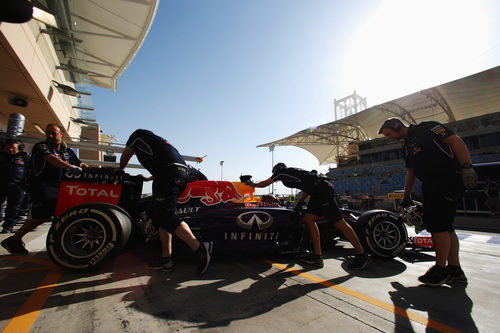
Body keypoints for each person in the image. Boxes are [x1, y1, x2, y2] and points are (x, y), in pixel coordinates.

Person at [379, 118, 478, 286]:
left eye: (389, 133)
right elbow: (411, 172)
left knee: (437, 224)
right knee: (445, 226)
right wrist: (406, 196)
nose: (389, 138)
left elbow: (455, 140)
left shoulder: (427, 128)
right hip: (430, 184)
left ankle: (440, 269)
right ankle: (455, 269)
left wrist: (467, 167)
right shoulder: (406, 146)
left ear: (397, 126)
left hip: (446, 179)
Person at [116, 129, 212, 275]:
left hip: (168, 173)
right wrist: (149, 179)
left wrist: (120, 170)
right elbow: (166, 160)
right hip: (173, 173)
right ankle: (166, 259)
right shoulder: (160, 142)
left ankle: (199, 248)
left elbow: (126, 156)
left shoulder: (137, 135)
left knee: (166, 214)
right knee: (158, 215)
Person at [245, 163, 369, 270]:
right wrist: (300, 202)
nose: (275, 177)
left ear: (276, 169)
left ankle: (361, 254)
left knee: (340, 223)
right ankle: (317, 256)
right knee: (308, 219)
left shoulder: (281, 172)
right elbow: (306, 188)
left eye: (274, 173)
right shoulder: (295, 172)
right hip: (318, 190)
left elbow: (265, 183)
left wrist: (251, 184)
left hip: (322, 191)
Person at [1, 124, 87, 254]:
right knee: (41, 216)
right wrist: (70, 167)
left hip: (63, 187)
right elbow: (52, 159)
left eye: (54, 133)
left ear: (62, 134)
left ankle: (59, 243)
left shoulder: (67, 151)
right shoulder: (41, 147)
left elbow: (80, 163)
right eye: (48, 133)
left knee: (63, 214)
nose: (50, 136)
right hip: (43, 186)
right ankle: (13, 239)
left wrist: (92, 169)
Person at [0, 139, 29, 233]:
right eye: (8, 148)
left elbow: (30, 170)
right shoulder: (1, 156)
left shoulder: (24, 157)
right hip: (1, 184)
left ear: (19, 148)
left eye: (13, 148)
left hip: (18, 186)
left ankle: (8, 226)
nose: (11, 150)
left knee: (14, 207)